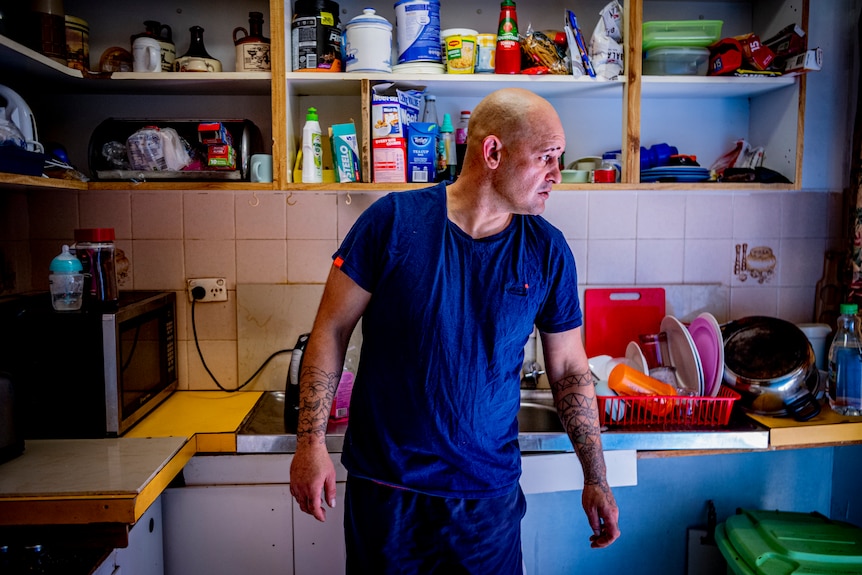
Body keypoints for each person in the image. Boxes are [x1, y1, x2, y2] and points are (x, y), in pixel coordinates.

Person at [289, 87, 620, 573]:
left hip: (486, 503)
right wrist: (309, 444)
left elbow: (570, 369)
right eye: (546, 158)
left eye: (559, 159)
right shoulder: (393, 223)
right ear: (492, 153)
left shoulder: (547, 250)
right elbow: (330, 331)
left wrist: (597, 475)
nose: (556, 175)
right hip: (389, 493)